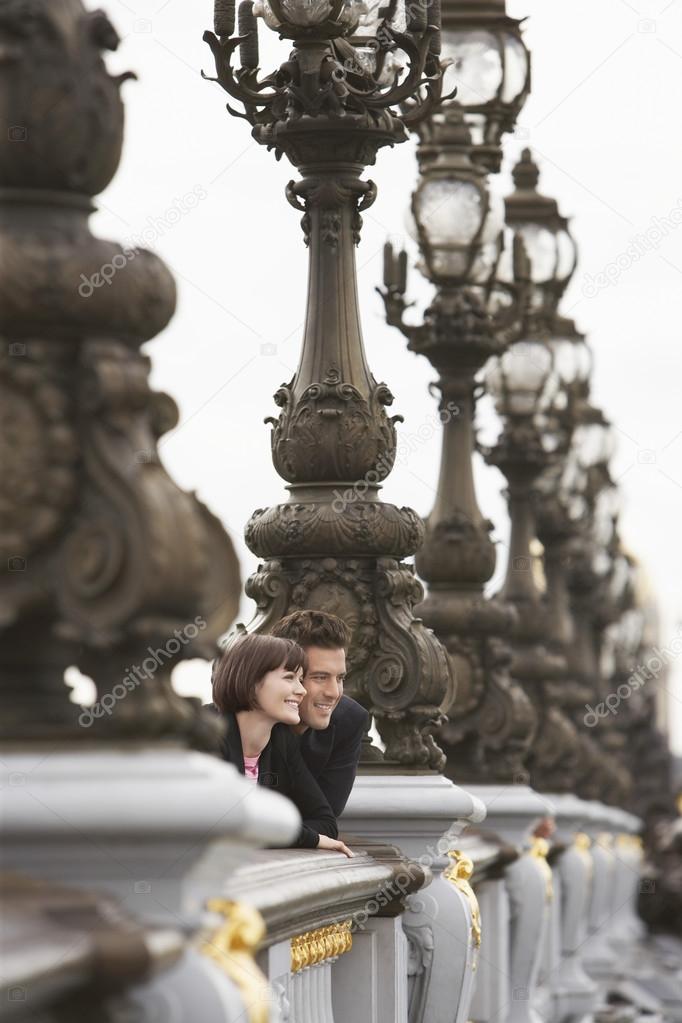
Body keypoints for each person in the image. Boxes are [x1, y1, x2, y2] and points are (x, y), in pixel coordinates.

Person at [212, 632, 353, 857]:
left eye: (301, 678)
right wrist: (309, 837)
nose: (302, 690)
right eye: (289, 677)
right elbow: (225, 827)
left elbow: (326, 823)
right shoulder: (208, 739)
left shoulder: (281, 741)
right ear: (252, 681)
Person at [271, 610, 369, 817]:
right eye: (320, 677)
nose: (334, 693)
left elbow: (326, 818)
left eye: (340, 678)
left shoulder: (349, 720)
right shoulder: (242, 721)